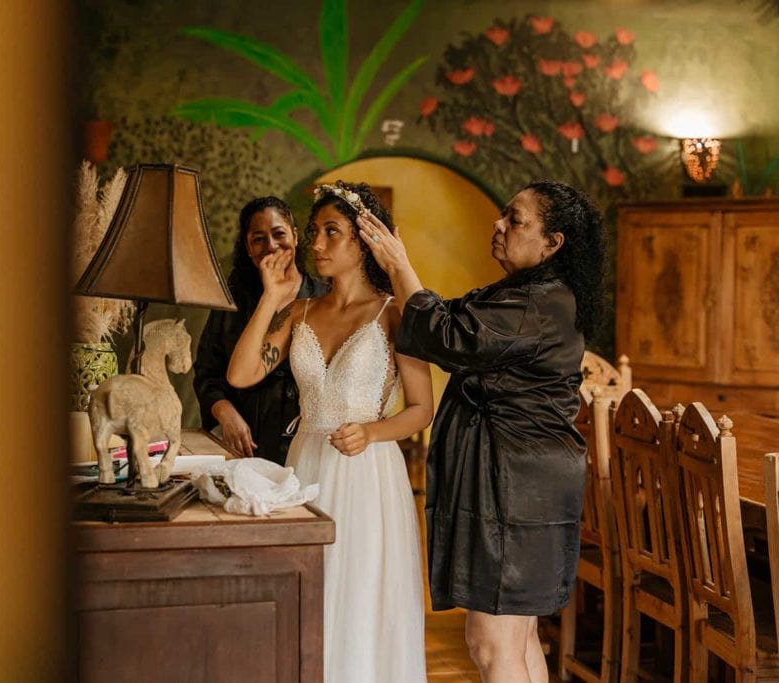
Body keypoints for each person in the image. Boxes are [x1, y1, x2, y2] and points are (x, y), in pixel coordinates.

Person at [357, 180, 606, 683]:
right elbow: (450, 322)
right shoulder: (532, 294)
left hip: (517, 488)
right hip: (520, 484)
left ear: (552, 243)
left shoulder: (539, 302)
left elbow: (449, 336)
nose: (498, 225)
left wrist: (399, 266)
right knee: (516, 639)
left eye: (515, 220)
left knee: (493, 645)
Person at [227, 181, 432, 683]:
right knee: (309, 595)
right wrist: (272, 296)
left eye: (331, 233)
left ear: (363, 242)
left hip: (367, 475)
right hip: (305, 468)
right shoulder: (300, 311)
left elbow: (423, 409)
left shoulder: (395, 314)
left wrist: (372, 431)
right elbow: (240, 374)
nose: (314, 244)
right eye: (314, 231)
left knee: (358, 595)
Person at [194, 197, 328, 463]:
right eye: (258, 239)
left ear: (295, 236)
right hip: (246, 443)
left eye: (279, 234)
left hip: (310, 445)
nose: (271, 246)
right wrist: (224, 413)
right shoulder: (232, 302)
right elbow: (207, 372)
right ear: (247, 247)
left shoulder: (325, 297)